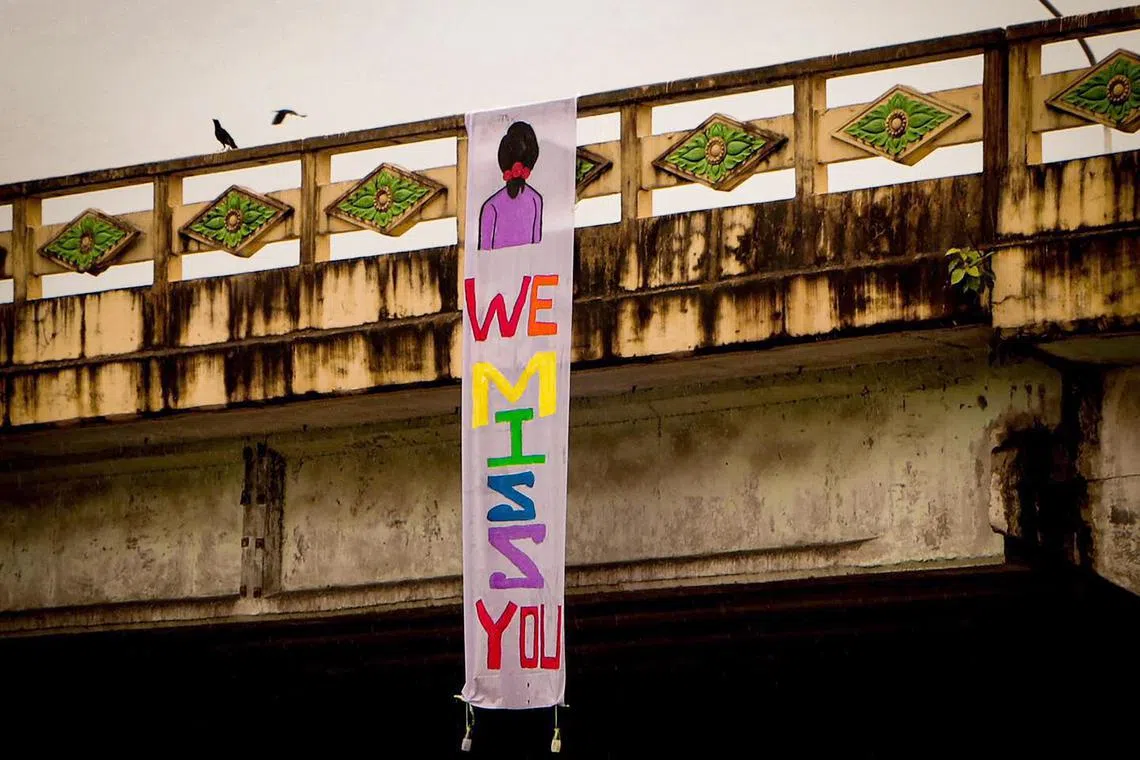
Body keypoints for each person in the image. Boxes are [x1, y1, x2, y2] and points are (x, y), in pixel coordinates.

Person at [478, 121, 543, 250]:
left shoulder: (491, 206)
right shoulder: (536, 200)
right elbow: (536, 250)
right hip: (527, 269)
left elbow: (483, 257)